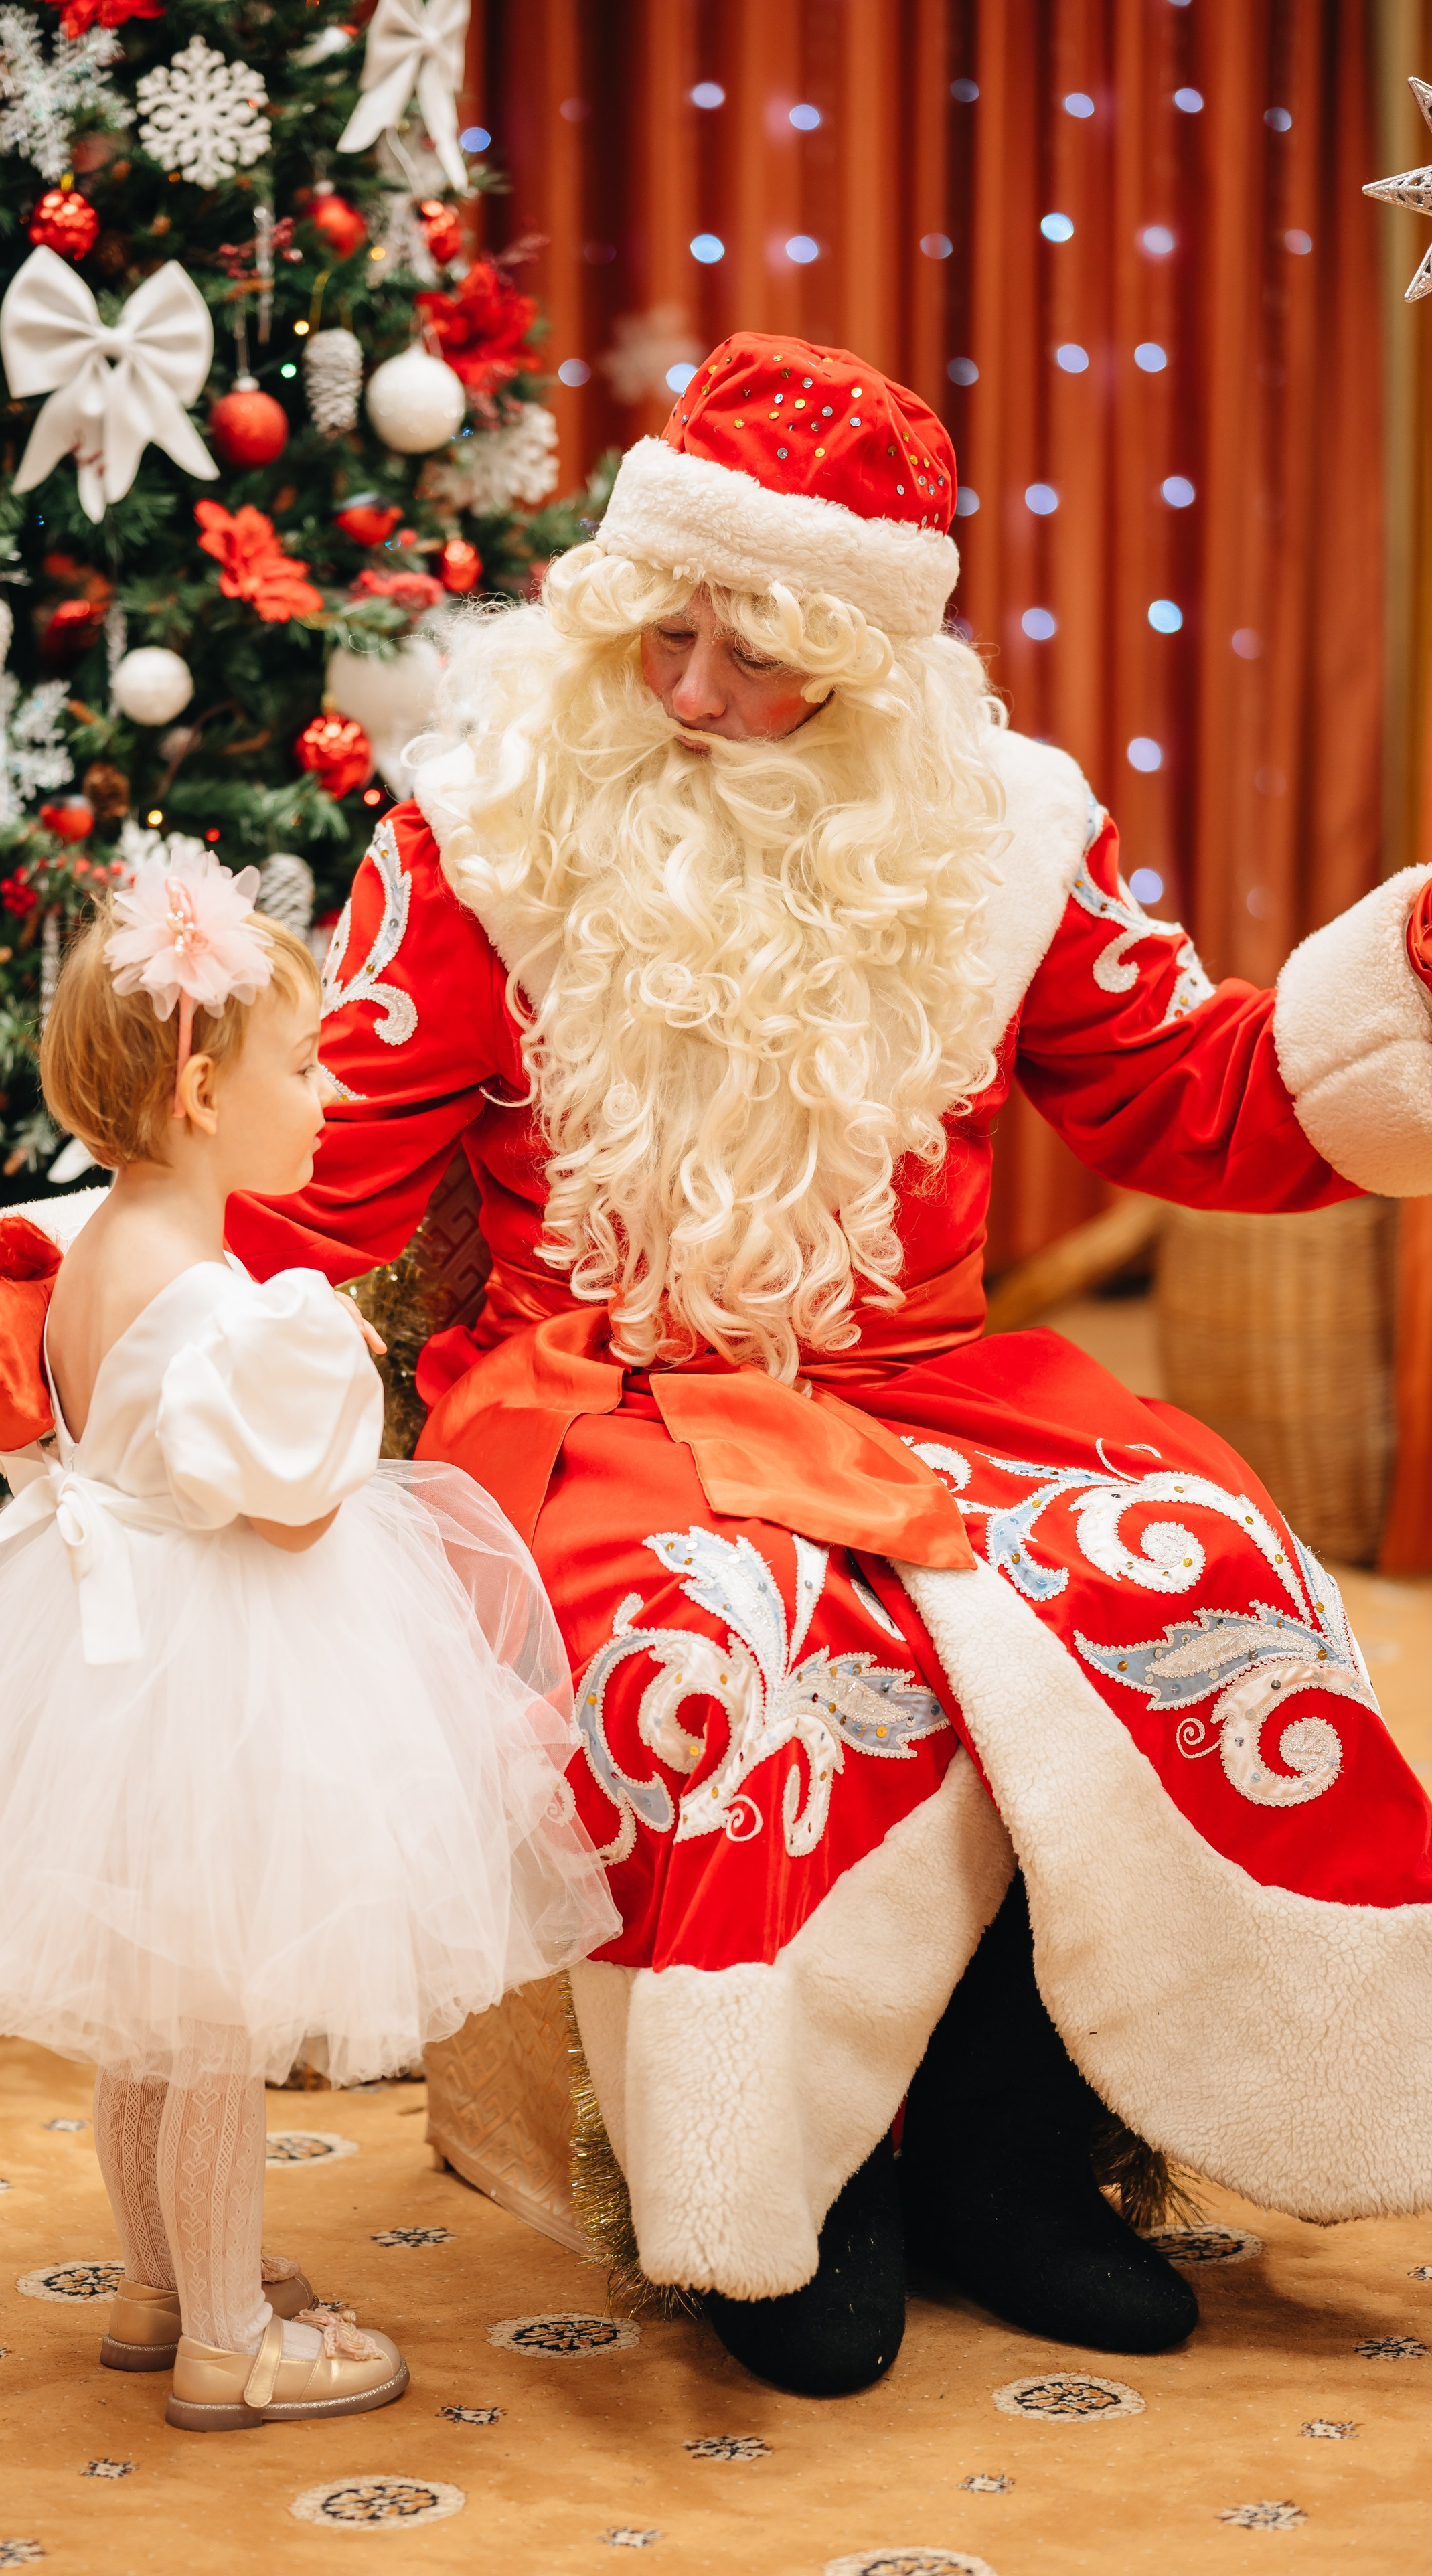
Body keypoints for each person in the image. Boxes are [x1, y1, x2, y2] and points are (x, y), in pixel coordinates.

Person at [230, 334, 1432, 2399]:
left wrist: (1392, 992)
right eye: (662, 633)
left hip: (919, 1388)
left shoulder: (997, 840)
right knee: (751, 1654)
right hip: (600, 1397)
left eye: (755, 656)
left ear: (869, 676)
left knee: (1195, 1580)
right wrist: (136, 1286)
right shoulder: (491, 828)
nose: (688, 697)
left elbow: (1198, 1097)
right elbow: (328, 1168)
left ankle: (1016, 2160)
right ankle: (795, 2195)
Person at [0, 852, 617, 2433]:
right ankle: (232, 2334)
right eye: (299, 1069)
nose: (322, 1098)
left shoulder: (82, 1247)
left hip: (102, 1661)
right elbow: (300, 1515)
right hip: (218, 1668)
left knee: (154, 2021)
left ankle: (166, 2277)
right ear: (197, 1094)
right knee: (221, 2027)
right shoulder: (233, 1310)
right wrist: (343, 1368)